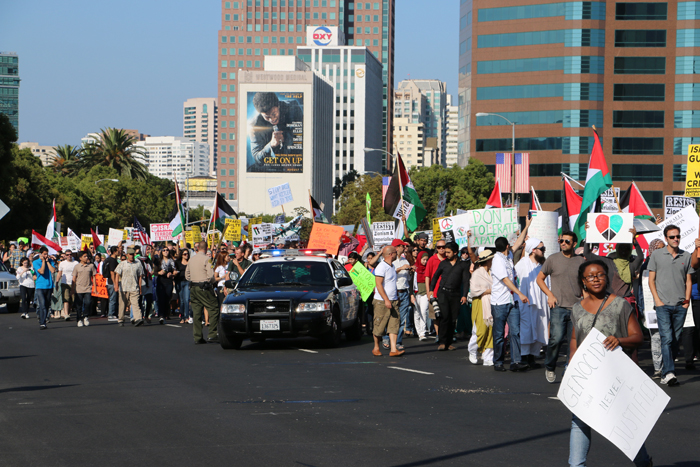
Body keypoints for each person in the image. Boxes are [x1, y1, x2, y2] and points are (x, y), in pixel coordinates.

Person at [568, 260, 650, 467]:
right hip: (588, 375)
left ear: (607, 277)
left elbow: (638, 337)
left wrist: (619, 340)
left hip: (616, 375)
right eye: (590, 276)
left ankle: (642, 462)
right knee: (580, 422)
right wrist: (572, 367)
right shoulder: (577, 309)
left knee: (622, 424)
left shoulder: (621, 304)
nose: (596, 279)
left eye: (600, 275)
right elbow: (575, 339)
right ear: (583, 282)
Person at [537, 230, 586, 383]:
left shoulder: (580, 261)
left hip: (576, 308)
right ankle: (550, 366)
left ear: (574, 244)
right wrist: (550, 295)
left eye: (567, 241)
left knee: (575, 343)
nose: (563, 244)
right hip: (558, 306)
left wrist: (586, 300)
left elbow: (584, 284)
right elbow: (540, 279)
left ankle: (568, 368)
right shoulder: (552, 259)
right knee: (556, 339)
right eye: (561, 241)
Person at [648, 224, 694, 386]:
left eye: (678, 236)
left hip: (680, 305)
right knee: (666, 339)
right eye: (672, 237)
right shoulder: (657, 255)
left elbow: (688, 281)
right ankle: (669, 372)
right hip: (662, 306)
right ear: (666, 238)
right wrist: (657, 301)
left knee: (675, 339)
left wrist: (686, 302)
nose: (676, 239)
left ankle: (667, 370)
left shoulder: (686, 256)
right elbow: (651, 280)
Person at [491, 236, 529, 372]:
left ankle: (516, 361)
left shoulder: (508, 256)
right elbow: (506, 280)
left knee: (515, 332)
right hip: (499, 302)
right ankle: (498, 362)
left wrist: (527, 226)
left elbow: (518, 243)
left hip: (512, 301)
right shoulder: (497, 260)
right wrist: (520, 293)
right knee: (499, 334)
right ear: (507, 246)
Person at [515, 238, 549, 369]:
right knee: (526, 329)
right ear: (533, 250)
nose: (543, 251)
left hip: (541, 302)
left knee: (539, 327)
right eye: (542, 249)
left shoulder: (542, 266)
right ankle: (523, 357)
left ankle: (532, 357)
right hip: (526, 303)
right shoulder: (522, 264)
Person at [248, 92, 304, 171]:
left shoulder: (293, 107)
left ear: (278, 105)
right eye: (267, 117)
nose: (272, 119)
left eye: (274, 114)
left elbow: (304, 136)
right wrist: (270, 145)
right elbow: (257, 158)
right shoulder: (255, 126)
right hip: (273, 165)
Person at [430, 242, 470, 351]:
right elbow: (435, 276)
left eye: (448, 252)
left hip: (456, 294)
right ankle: (442, 342)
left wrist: (464, 295)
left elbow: (466, 281)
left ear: (455, 252)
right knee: (444, 317)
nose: (445, 254)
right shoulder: (443, 263)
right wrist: (431, 290)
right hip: (443, 293)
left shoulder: (462, 265)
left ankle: (449, 342)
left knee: (453, 319)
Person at [371, 246, 404, 357]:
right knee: (379, 326)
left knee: (394, 325)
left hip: (393, 300)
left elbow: (392, 284)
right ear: (391, 254)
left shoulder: (392, 266)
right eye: (395, 252)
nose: (396, 254)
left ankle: (393, 349)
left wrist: (396, 297)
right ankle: (376, 347)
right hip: (381, 302)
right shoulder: (381, 267)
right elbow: (379, 285)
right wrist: (386, 299)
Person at [186, 241, 220, 344]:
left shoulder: (191, 259)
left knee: (196, 312)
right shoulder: (207, 259)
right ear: (206, 248)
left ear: (197, 248)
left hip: (193, 287)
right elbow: (210, 276)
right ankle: (212, 334)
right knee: (214, 308)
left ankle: (197, 337)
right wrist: (214, 280)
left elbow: (187, 275)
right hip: (204, 287)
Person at [468, 250, 495, 365]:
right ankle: (473, 350)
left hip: (491, 303)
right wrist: (490, 290)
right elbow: (474, 291)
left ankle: (488, 356)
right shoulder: (477, 273)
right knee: (480, 330)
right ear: (488, 260)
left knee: (491, 330)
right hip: (479, 303)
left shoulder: (493, 272)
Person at [386, 239, 412, 351]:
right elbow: (388, 275)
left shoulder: (405, 260)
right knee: (391, 317)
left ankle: (398, 341)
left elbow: (408, 278)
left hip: (404, 291)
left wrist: (410, 270)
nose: (405, 248)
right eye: (403, 246)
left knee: (401, 318)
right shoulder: (389, 261)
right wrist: (400, 268)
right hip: (394, 293)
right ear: (397, 247)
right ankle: (387, 338)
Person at [114, 247, 143, 327]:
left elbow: (140, 276)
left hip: (134, 287)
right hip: (124, 287)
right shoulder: (122, 264)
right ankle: (121, 319)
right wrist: (116, 285)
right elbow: (117, 274)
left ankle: (138, 318)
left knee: (135, 304)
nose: (132, 256)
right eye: (130, 254)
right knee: (122, 304)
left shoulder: (138, 263)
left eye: (133, 254)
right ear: (127, 255)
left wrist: (140, 288)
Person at [425, 239, 447, 340]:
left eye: (443, 247)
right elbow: (427, 276)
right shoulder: (431, 260)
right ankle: (438, 334)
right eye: (439, 247)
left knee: (446, 315)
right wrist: (428, 291)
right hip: (434, 292)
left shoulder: (449, 258)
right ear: (436, 248)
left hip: (447, 291)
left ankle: (445, 334)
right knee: (435, 315)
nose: (441, 249)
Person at [32, 247, 56, 330]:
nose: (46, 255)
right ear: (40, 254)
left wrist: (47, 262)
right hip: (40, 286)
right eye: (44, 254)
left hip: (49, 285)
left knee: (46, 304)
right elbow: (41, 271)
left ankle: (43, 319)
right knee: (42, 304)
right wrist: (43, 261)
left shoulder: (50, 261)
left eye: (47, 254)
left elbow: (53, 271)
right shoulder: (35, 262)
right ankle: (42, 323)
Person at [72, 250, 95, 327]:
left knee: (88, 303)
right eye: (84, 256)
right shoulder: (77, 267)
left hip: (88, 287)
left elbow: (94, 276)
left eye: (87, 256)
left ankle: (85, 316)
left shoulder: (91, 266)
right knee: (79, 305)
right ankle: (79, 319)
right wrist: (72, 289)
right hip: (79, 288)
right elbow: (74, 278)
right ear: (80, 258)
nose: (86, 258)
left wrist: (95, 287)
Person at [154, 247, 176, 324]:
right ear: (161, 252)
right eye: (164, 250)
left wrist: (172, 274)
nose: (166, 251)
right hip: (161, 281)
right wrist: (159, 273)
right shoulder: (159, 261)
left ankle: (166, 313)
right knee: (161, 298)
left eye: (167, 250)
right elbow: (155, 272)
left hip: (169, 281)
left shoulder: (172, 261)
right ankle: (161, 315)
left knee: (168, 297)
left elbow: (175, 271)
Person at [412, 251, 431, 341]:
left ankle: (423, 332)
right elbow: (412, 282)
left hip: (424, 294)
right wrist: (412, 294)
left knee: (423, 312)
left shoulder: (428, 269)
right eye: (423, 259)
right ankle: (419, 331)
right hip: (416, 293)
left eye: (426, 260)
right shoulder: (415, 269)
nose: (425, 262)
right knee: (417, 313)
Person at [57, 249, 77, 320]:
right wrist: (57, 282)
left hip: (74, 283)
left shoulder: (75, 263)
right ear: (65, 255)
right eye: (67, 254)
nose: (69, 256)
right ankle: (66, 314)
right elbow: (59, 273)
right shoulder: (62, 263)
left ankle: (68, 312)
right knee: (66, 299)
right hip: (65, 283)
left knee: (72, 299)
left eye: (70, 254)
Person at [103, 246, 120, 321]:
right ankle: (111, 315)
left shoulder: (108, 259)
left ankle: (114, 314)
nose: (119, 251)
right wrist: (115, 283)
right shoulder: (112, 260)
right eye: (118, 250)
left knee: (112, 298)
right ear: (114, 252)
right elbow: (112, 273)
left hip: (109, 282)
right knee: (113, 299)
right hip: (112, 282)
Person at [175, 249, 191, 324]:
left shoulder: (190, 262)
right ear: (182, 255)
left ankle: (186, 316)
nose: (186, 255)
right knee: (181, 301)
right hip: (179, 282)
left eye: (187, 254)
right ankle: (182, 317)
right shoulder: (177, 262)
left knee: (186, 299)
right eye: (185, 254)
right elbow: (174, 270)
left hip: (187, 282)